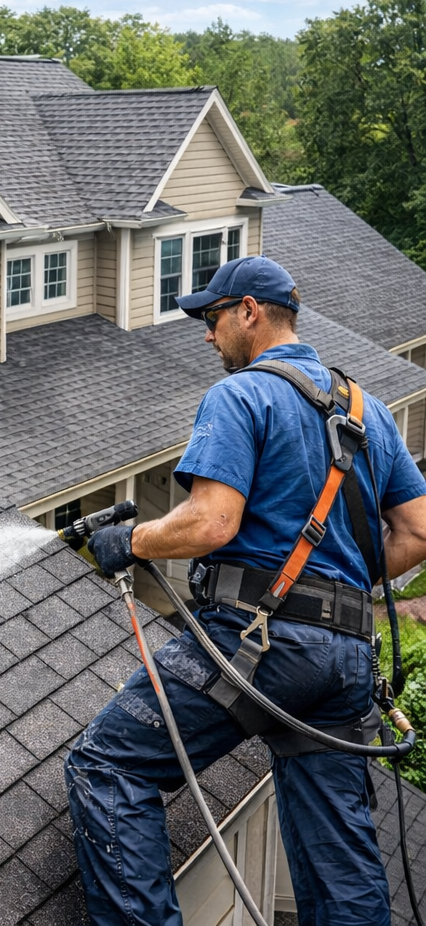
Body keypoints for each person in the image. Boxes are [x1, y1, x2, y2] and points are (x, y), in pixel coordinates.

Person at [65, 255, 426, 926]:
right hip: (347, 660)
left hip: (260, 644)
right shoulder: (365, 409)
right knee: (337, 854)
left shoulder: (241, 396)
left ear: (249, 314)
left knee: (110, 766)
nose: (207, 335)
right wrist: (335, 587)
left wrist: (132, 541)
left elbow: (211, 522)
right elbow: (418, 531)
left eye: (212, 318)